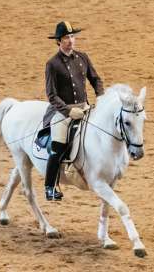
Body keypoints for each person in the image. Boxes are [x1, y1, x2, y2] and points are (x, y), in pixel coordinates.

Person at [37, 21, 105, 201]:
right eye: (66, 38)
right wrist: (68, 111)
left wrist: (101, 96)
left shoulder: (83, 57)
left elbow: (95, 79)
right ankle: (50, 187)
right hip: (61, 112)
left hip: (84, 107)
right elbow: (52, 95)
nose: (70, 40)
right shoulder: (52, 64)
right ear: (58, 41)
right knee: (58, 146)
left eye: (72, 37)